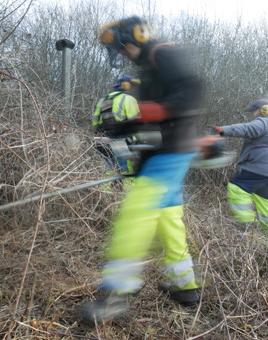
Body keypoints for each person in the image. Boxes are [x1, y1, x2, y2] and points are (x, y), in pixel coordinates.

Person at [79, 16, 203, 324]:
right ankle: (184, 286)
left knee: (136, 213)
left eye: (119, 48)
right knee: (168, 217)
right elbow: (153, 115)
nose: (120, 53)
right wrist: (122, 127)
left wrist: (147, 112)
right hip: (163, 150)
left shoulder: (162, 53)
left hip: (171, 150)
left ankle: (115, 295)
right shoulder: (149, 69)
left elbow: (191, 91)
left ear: (132, 38)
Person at [214, 99, 268, 232]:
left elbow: (246, 128)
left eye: (254, 111)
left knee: (237, 187)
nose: (253, 115)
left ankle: (248, 225)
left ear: (264, 110)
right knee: (264, 199)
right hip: (265, 173)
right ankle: (265, 231)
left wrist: (222, 130)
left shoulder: (264, 121)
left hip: (257, 167)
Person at [93, 76, 141, 185]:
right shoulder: (128, 99)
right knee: (125, 171)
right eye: (132, 85)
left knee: (107, 173)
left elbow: (95, 123)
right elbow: (137, 123)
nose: (133, 88)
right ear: (126, 85)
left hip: (101, 141)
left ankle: (106, 198)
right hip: (120, 141)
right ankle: (125, 198)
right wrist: (138, 141)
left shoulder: (103, 100)